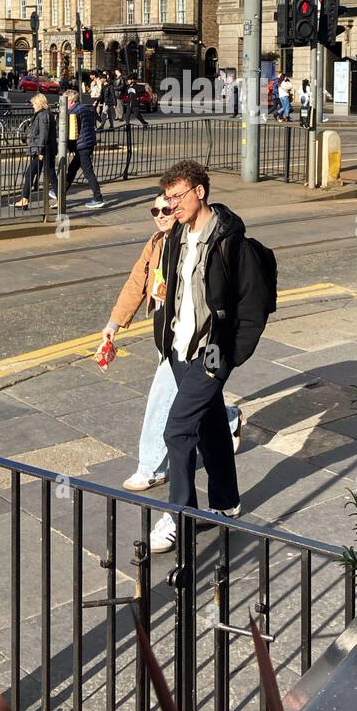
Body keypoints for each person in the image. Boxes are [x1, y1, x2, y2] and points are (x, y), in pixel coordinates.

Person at [146, 159, 274, 553]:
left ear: (200, 192)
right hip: (179, 349)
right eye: (167, 199)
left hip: (211, 354)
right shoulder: (176, 237)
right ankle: (226, 502)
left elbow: (253, 307)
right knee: (212, 424)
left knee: (177, 431)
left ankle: (180, 516)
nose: (170, 206)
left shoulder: (229, 242)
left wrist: (231, 356)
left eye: (177, 197)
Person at [97, 192, 242, 493]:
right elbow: (137, 283)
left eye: (167, 208)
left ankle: (151, 467)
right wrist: (113, 325)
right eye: (155, 210)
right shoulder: (155, 244)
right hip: (165, 329)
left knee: (162, 396)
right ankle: (227, 421)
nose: (161, 214)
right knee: (192, 398)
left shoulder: (190, 240)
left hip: (190, 335)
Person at [63, 88, 105, 209]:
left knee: (88, 172)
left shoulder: (72, 112)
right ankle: (60, 192)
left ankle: (98, 198)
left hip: (81, 146)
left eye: (65, 101)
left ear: (70, 101)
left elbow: (72, 133)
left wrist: (68, 147)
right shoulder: (84, 108)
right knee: (72, 169)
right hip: (88, 143)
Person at [15, 92, 53, 209]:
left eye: (33, 104)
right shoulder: (41, 114)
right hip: (39, 149)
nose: (32, 106)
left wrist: (40, 151)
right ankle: (25, 199)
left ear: (39, 103)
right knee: (48, 175)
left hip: (41, 150)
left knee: (30, 173)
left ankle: (25, 199)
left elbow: (43, 135)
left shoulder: (43, 115)